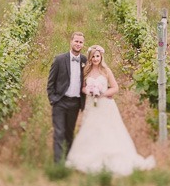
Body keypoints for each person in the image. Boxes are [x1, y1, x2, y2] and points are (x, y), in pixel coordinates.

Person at [65, 45, 155, 176]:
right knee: (92, 128)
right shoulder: (86, 71)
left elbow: (115, 88)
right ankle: (90, 155)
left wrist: (102, 93)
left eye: (97, 56)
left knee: (108, 128)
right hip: (92, 104)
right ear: (90, 58)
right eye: (93, 57)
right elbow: (82, 87)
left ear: (101, 57)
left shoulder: (106, 70)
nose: (95, 59)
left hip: (105, 104)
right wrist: (89, 91)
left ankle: (110, 155)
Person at [46, 31, 86, 163]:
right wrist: (53, 99)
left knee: (69, 134)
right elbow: (51, 82)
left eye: (81, 42)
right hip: (60, 102)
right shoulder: (59, 59)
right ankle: (58, 165)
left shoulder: (85, 60)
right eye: (76, 41)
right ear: (71, 41)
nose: (78, 44)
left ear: (83, 44)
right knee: (59, 132)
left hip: (75, 103)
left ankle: (69, 161)